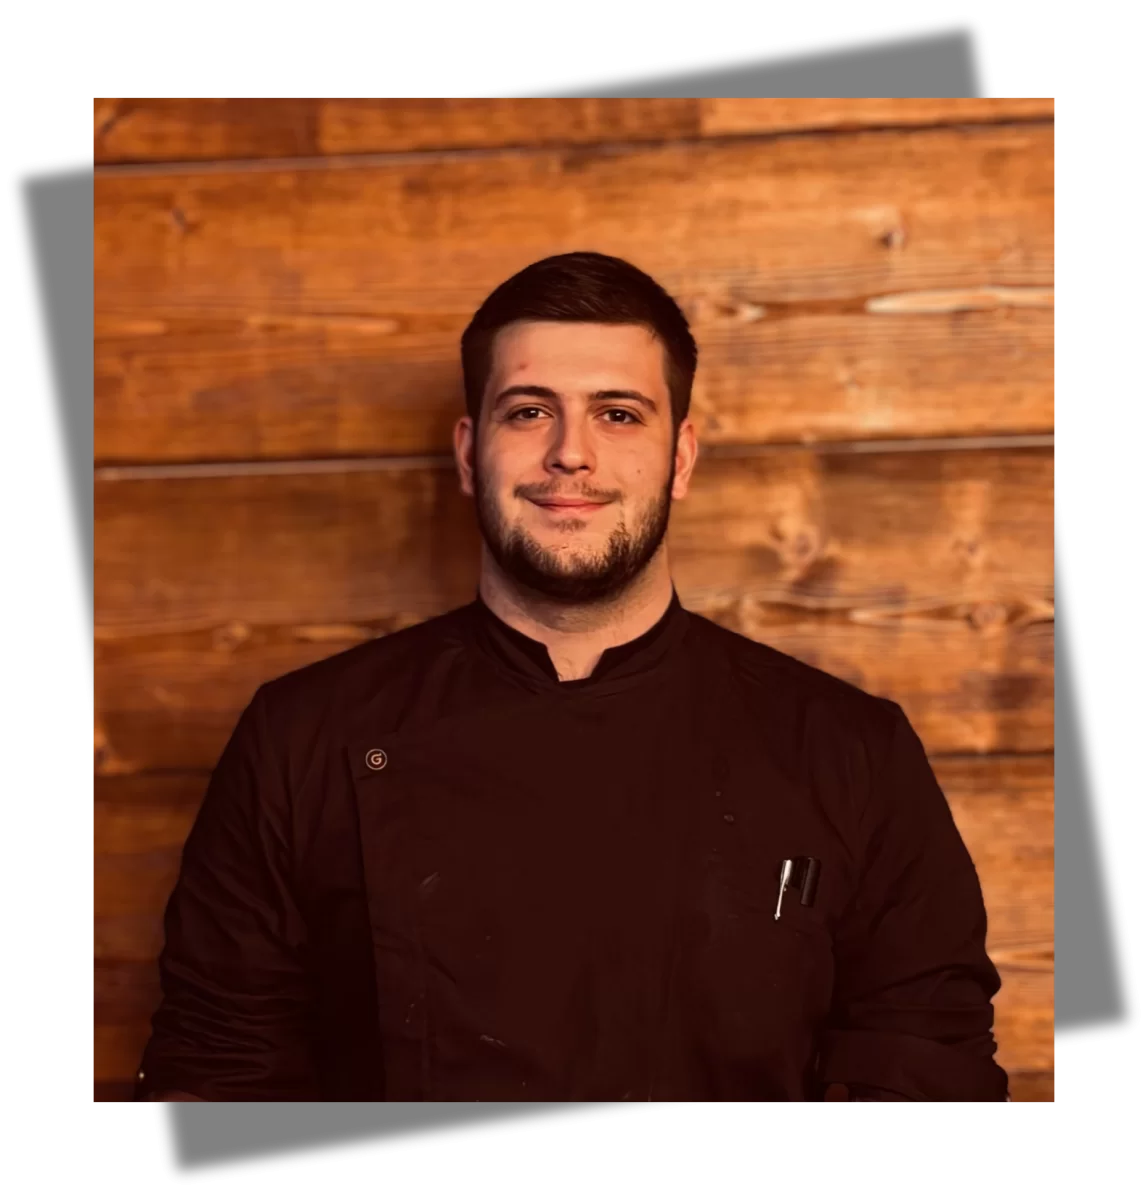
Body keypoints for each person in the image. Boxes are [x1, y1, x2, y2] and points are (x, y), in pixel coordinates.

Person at [133, 252, 1009, 1103]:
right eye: (528, 412)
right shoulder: (303, 736)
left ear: (681, 457)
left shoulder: (849, 750)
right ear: (469, 453)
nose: (570, 454)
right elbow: (216, 1066)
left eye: (617, 414)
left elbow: (927, 1060)